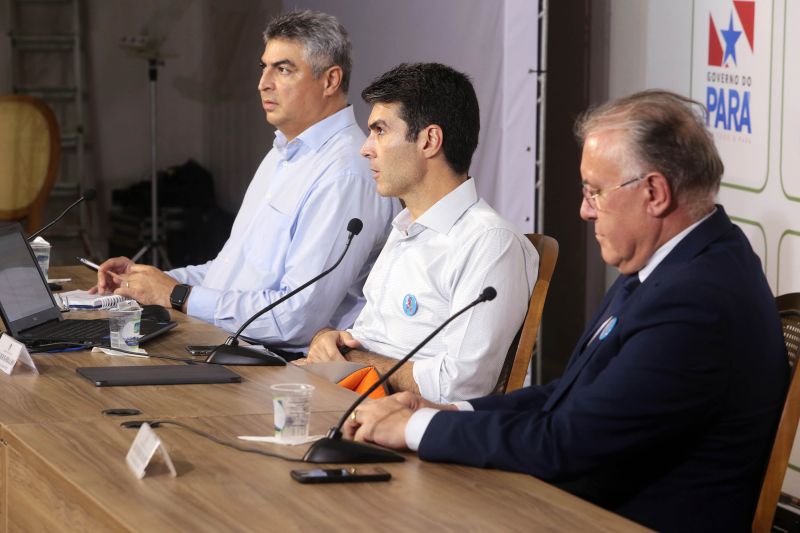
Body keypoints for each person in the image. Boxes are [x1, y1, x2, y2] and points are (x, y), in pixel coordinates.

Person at [341, 90, 789, 531]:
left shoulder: (698, 299)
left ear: (654, 192)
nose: (583, 210)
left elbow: (568, 443)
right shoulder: (674, 262)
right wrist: (448, 412)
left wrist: (417, 429)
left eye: (595, 192)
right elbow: (570, 397)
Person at [93, 10, 395, 352]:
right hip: (225, 343)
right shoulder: (283, 153)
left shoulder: (346, 172)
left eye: (283, 69)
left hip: (273, 364)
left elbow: (293, 321)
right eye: (263, 67)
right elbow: (230, 273)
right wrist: (146, 280)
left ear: (330, 81)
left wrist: (175, 295)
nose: (263, 83)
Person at [305, 63, 538, 402]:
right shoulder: (405, 227)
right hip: (348, 398)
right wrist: (330, 340)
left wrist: (356, 361)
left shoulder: (490, 242)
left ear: (429, 140)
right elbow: (371, 338)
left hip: (399, 427)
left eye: (380, 131)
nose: (365, 147)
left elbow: (461, 385)